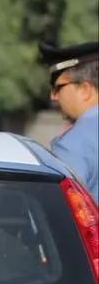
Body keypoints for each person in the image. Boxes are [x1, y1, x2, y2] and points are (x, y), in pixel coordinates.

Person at [38, 41, 99, 202]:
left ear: (85, 90)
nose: (53, 96)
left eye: (58, 87)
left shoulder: (74, 144)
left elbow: (56, 209)